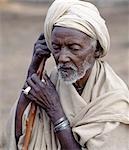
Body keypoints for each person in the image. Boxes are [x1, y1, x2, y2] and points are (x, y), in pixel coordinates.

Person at [4, 0, 129, 149]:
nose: (62, 57)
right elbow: (18, 137)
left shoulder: (113, 100)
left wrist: (55, 111)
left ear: (97, 50)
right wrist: (32, 71)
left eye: (74, 48)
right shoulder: (52, 83)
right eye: (56, 47)